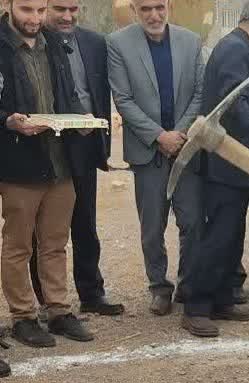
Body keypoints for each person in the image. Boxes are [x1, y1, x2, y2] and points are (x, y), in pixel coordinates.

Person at [181, 0, 249, 337]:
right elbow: (234, 104)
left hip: (238, 163)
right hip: (227, 161)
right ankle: (196, 305)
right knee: (219, 235)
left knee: (231, 234)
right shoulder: (234, 50)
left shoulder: (241, 48)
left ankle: (223, 298)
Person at [0, 0, 93, 348]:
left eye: (40, 11)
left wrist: (80, 120)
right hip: (18, 163)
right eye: (26, 10)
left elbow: (66, 95)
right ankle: (23, 317)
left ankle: (58, 311)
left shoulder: (54, 42)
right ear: (7, 5)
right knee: (18, 246)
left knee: (55, 243)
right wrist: (8, 121)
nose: (35, 19)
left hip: (60, 161)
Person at [107, 0, 204, 316]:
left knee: (192, 222)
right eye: (145, 8)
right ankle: (159, 288)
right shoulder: (118, 43)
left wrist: (179, 133)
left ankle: (188, 287)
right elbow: (122, 98)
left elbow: (200, 93)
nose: (153, 15)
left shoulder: (191, 41)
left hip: (186, 148)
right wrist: (159, 136)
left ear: (170, 6)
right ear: (134, 9)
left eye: (159, 7)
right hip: (148, 152)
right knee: (152, 227)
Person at [29, 0, 125, 317]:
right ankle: (46, 300)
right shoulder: (32, 43)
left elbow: (99, 92)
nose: (67, 16)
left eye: (73, 8)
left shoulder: (95, 42)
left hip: (84, 144)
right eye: (59, 9)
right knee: (42, 229)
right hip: (43, 146)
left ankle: (92, 293)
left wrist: (96, 131)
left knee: (85, 223)